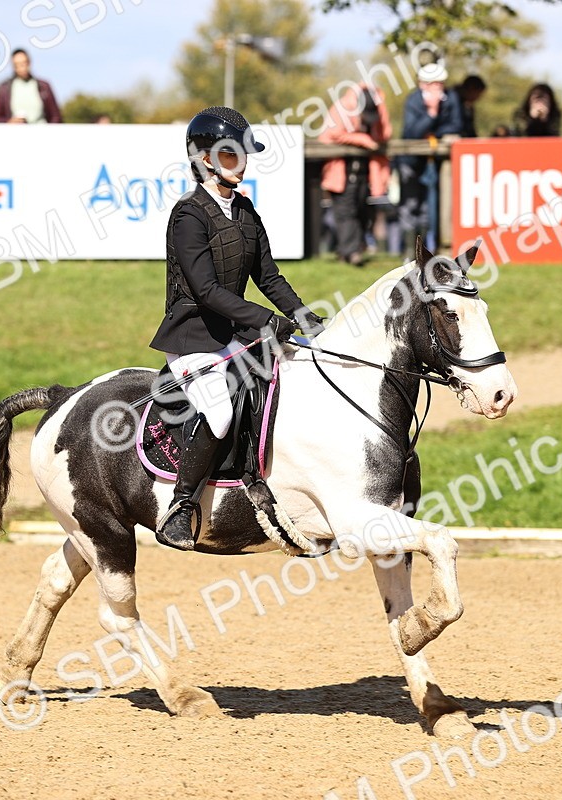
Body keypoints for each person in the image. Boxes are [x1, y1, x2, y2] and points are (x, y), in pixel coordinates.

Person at [149, 107, 325, 550]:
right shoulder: (188, 216)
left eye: (244, 154)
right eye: (231, 156)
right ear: (205, 159)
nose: (241, 163)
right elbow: (206, 290)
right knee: (221, 411)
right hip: (194, 335)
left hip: (234, 332)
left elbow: (269, 277)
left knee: (297, 376)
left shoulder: (245, 210)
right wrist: (265, 320)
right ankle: (182, 505)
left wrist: (307, 320)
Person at [318, 83, 391, 266]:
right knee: (345, 212)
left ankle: (350, 251)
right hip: (342, 171)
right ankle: (351, 253)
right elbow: (328, 135)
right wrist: (362, 140)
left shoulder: (377, 104)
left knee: (361, 211)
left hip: (365, 172)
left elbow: (385, 134)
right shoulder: (342, 107)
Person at [396, 62, 463, 254]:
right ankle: (409, 252)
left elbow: (456, 126)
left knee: (428, 209)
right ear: (422, 84)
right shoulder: (413, 101)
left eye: (440, 84)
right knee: (410, 206)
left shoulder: (451, 99)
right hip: (411, 162)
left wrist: (432, 131)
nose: (437, 88)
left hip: (436, 165)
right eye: (432, 84)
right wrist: (432, 113)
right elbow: (411, 132)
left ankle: (425, 251)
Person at [0, 49, 63, 124]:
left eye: (24, 63)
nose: (22, 67)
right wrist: (8, 122)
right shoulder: (5, 88)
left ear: (29, 63)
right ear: (13, 67)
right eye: (17, 64)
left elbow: (56, 116)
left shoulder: (44, 86)